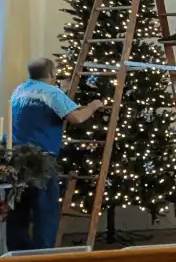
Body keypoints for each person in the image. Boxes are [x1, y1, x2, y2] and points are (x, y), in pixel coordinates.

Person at [6, 58, 104, 250]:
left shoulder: (20, 89)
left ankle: (16, 257)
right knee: (45, 209)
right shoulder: (51, 92)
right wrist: (93, 105)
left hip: (16, 156)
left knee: (18, 208)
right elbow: (76, 117)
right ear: (51, 73)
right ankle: (43, 255)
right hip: (41, 158)